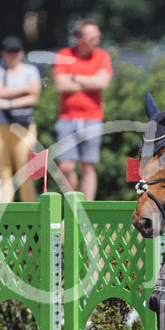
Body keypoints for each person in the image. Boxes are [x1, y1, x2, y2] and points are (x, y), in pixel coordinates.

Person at [53, 19, 112, 201]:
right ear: (78, 38)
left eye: (98, 36)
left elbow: (103, 83)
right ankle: (74, 206)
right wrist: (90, 82)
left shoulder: (102, 56)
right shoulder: (64, 54)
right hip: (66, 118)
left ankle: (87, 210)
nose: (97, 40)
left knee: (88, 167)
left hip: (92, 118)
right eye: (92, 37)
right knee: (66, 167)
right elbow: (61, 84)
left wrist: (75, 77)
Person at [0, 36, 41, 202]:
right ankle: (6, 214)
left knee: (25, 171)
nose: (14, 55)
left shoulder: (30, 70)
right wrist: (25, 88)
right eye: (10, 51)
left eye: (16, 51)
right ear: (3, 53)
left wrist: (8, 103)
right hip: (0, 125)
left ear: (22, 52)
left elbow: (34, 97)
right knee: (4, 172)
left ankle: (30, 215)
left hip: (24, 126)